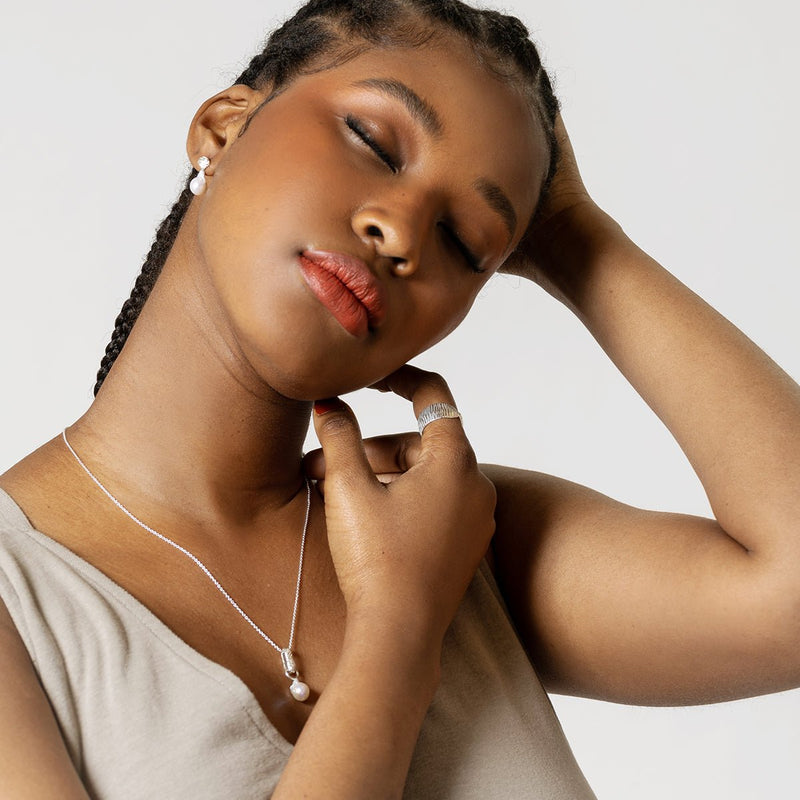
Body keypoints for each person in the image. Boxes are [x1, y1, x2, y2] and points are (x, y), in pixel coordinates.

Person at [1, 1, 799, 798]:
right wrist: (397, 628)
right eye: (376, 143)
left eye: (466, 243)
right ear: (223, 127)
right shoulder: (22, 597)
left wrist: (576, 238)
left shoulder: (454, 532)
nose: (404, 231)